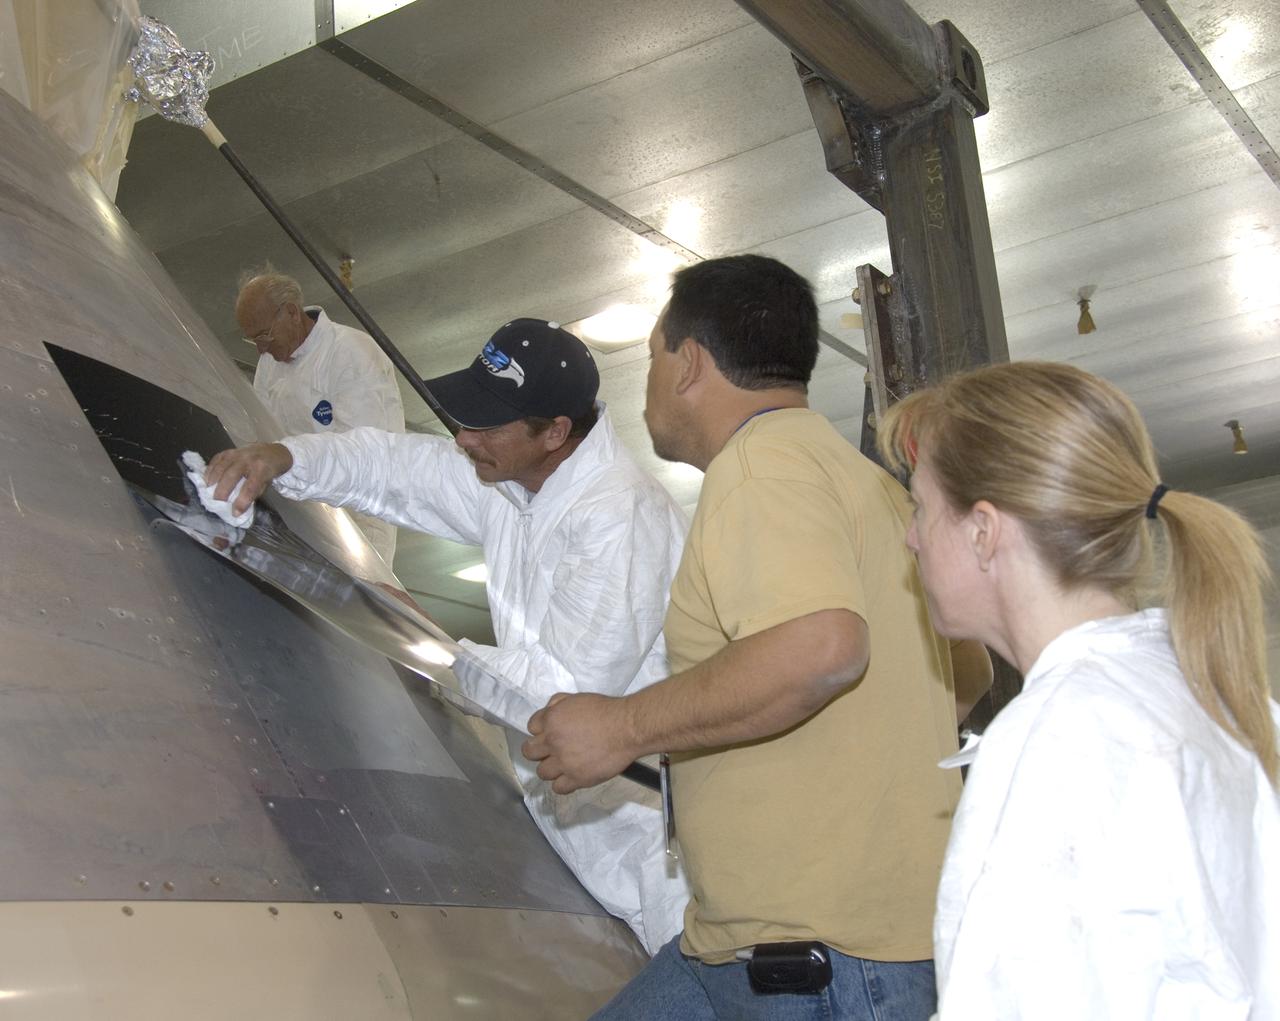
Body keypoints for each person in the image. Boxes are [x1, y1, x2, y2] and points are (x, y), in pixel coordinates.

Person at [523, 255, 991, 1020]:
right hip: (748, 946)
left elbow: (823, 648)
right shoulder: (869, 483)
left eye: (651, 359)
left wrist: (621, 725)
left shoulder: (758, 469)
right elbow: (963, 676)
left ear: (689, 364)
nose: (646, 384)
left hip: (819, 964)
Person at [205, 317, 690, 955]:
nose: (464, 438)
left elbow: (563, 696)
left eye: (487, 425)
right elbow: (394, 466)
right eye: (465, 417)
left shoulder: (620, 518)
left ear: (555, 433)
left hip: (655, 853)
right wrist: (286, 457)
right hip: (577, 830)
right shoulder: (513, 478)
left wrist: (417, 633)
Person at [875, 361, 1280, 1017]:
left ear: (983, 530)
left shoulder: (1060, 742)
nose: (911, 536)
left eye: (920, 506)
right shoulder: (1209, 690)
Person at [235, 268, 405, 563]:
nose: (261, 348)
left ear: (291, 312)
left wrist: (294, 464)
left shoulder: (349, 351)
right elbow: (262, 433)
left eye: (264, 335)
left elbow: (363, 452)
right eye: (253, 340)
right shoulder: (268, 365)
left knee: (356, 602)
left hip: (360, 511)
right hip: (303, 508)